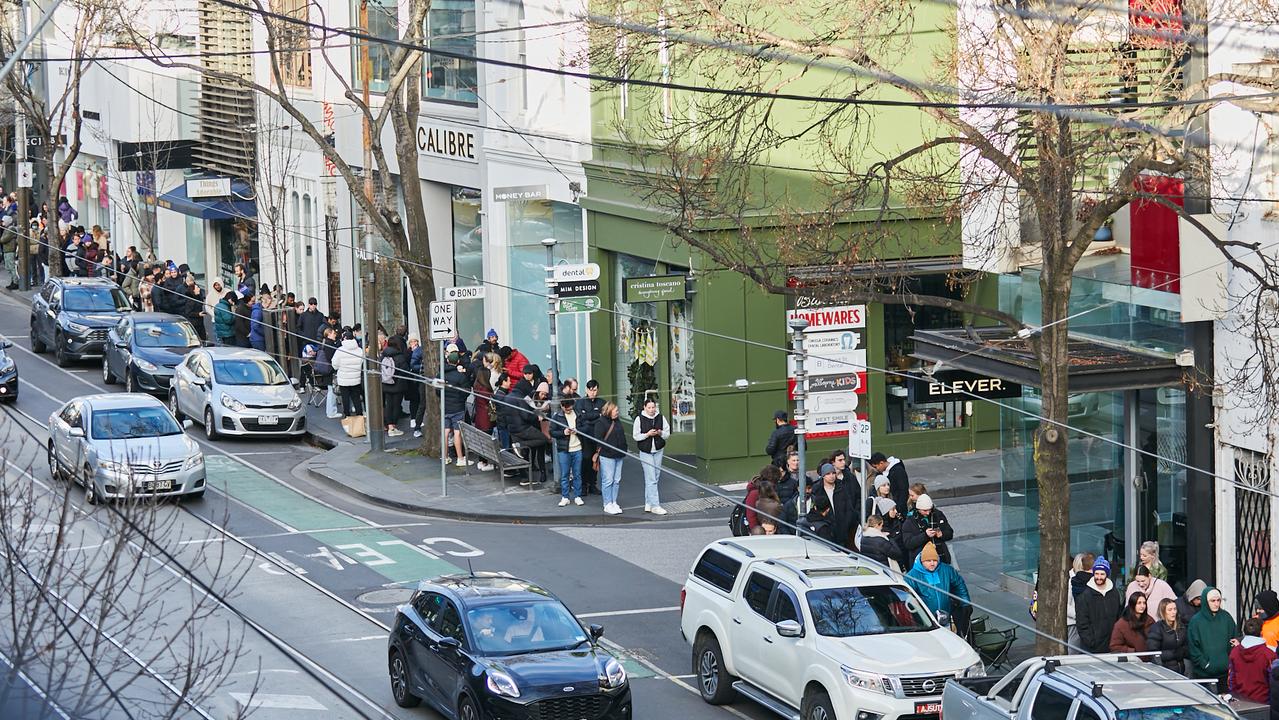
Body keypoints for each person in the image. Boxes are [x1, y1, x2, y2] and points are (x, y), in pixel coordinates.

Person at [905, 542, 970, 634]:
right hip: (925, 621)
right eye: (928, 561)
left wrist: (965, 602)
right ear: (922, 561)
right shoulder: (912, 576)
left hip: (946, 616)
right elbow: (907, 597)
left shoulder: (947, 570)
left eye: (934, 560)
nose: (932, 563)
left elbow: (959, 585)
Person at [1188, 586, 1239, 693]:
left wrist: (1228, 661)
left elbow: (1234, 639)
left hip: (1225, 674)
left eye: (1218, 600)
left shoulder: (1226, 617)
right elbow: (1193, 648)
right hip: (1204, 675)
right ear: (1206, 602)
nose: (1216, 603)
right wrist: (1205, 665)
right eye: (1213, 601)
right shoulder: (1196, 621)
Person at [1076, 557, 1124, 654]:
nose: (1099, 577)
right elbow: (1082, 622)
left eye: (1102, 574)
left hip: (1112, 645)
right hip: (1092, 648)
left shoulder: (1114, 593)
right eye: (1096, 573)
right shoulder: (1085, 595)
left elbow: (1119, 616)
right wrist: (1091, 642)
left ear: (1107, 574)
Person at [632, 397, 670, 515]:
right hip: (645, 451)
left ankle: (648, 502)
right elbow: (636, 436)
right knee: (651, 478)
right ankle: (655, 505)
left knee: (655, 477)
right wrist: (647, 434)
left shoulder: (660, 417)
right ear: (644, 408)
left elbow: (667, 434)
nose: (652, 410)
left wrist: (660, 433)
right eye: (649, 407)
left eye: (653, 407)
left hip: (658, 450)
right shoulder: (639, 419)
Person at [901, 494, 955, 565]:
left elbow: (950, 532)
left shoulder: (938, 514)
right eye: (925, 510)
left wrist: (942, 534)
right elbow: (908, 543)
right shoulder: (910, 521)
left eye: (929, 510)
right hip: (921, 560)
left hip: (941, 557)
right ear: (918, 509)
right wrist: (925, 535)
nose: (928, 513)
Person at [550, 397, 584, 507]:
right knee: (564, 475)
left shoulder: (578, 414)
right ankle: (565, 497)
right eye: (567, 409)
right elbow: (552, 432)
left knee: (577, 474)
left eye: (570, 409)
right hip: (564, 450)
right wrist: (563, 432)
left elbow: (585, 427)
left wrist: (578, 430)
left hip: (577, 448)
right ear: (562, 406)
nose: (569, 410)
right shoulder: (557, 416)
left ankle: (577, 496)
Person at [593, 402, 627, 515]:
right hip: (607, 455)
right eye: (615, 410)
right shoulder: (601, 422)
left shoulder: (617, 421)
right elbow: (598, 439)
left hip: (619, 454)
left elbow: (621, 435)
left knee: (617, 480)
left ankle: (614, 501)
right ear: (609, 410)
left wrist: (624, 448)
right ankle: (607, 503)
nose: (617, 412)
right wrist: (610, 449)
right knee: (608, 480)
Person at [813, 463, 857, 549]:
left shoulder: (842, 487)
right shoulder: (817, 489)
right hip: (827, 529)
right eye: (828, 474)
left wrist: (846, 525)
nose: (832, 476)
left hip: (843, 529)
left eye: (833, 473)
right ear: (823, 476)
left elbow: (849, 508)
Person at [1231, 618, 1276, 703]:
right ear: (1261, 633)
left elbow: (1231, 680)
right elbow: (1273, 682)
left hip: (1241, 702)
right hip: (1263, 703)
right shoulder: (1269, 655)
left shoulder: (1234, 652)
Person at [442, 349, 473, 465]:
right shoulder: (460, 377)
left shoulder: (441, 374)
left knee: (445, 432)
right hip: (457, 408)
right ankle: (460, 458)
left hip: (445, 406)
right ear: (458, 361)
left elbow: (437, 391)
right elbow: (466, 391)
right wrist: (460, 399)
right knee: (457, 433)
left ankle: (445, 457)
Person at [575, 380, 605, 495]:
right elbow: (581, 417)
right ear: (586, 390)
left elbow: (603, 417)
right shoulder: (580, 402)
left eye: (595, 390)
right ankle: (583, 485)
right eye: (591, 390)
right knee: (585, 459)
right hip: (585, 436)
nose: (593, 392)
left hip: (598, 436)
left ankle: (593, 484)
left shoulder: (601, 402)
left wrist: (589, 418)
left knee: (595, 460)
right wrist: (597, 415)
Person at [1148, 598, 1189, 675]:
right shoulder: (1157, 628)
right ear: (1163, 612)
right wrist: (1173, 654)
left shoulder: (1181, 627)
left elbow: (1186, 646)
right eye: (1170, 610)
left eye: (1174, 609)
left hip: (1181, 670)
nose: (1173, 612)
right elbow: (1153, 653)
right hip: (1164, 671)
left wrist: (1182, 652)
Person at [381, 335, 409, 437]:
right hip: (398, 385)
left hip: (386, 383)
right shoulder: (400, 356)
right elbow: (405, 371)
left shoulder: (383, 355)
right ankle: (393, 427)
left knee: (389, 405)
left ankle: (389, 426)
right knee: (396, 406)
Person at [1067, 552, 1096, 652]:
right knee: (1074, 650)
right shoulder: (1070, 581)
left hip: (1084, 621)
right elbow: (1066, 606)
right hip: (1074, 623)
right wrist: (1079, 614)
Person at [332, 332, 365, 417]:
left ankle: (347, 416)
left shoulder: (340, 350)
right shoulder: (360, 350)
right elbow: (362, 362)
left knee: (345, 398)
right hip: (356, 379)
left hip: (343, 379)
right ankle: (359, 415)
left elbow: (335, 365)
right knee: (356, 398)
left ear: (344, 338)